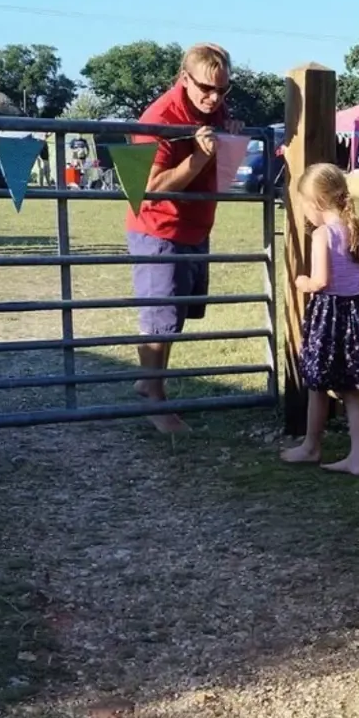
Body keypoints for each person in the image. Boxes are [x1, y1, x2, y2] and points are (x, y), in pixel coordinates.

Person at [126, 43, 238, 434]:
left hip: (194, 225)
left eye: (223, 90)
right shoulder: (159, 117)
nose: (214, 98)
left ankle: (147, 381)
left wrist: (229, 134)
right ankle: (154, 401)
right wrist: (201, 157)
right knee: (159, 318)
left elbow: (218, 137)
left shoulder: (215, 108)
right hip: (158, 228)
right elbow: (151, 187)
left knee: (174, 317)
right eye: (206, 88)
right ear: (184, 78)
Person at [280, 163, 359, 475]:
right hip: (357, 313)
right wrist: (351, 285)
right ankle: (355, 457)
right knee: (349, 389)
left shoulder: (323, 235)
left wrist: (302, 282)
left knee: (318, 382)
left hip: (330, 317)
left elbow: (320, 281)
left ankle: (311, 446)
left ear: (316, 202)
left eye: (305, 204)